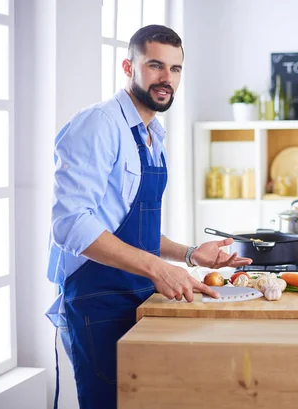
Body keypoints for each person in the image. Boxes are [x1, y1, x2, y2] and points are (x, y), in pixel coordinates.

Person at [45, 25, 252, 409]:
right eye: (155, 65)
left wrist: (190, 254)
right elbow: (71, 224)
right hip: (98, 303)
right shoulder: (98, 125)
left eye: (175, 69)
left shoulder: (153, 133)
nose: (166, 78)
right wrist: (158, 269)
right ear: (128, 66)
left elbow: (130, 229)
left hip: (140, 297)